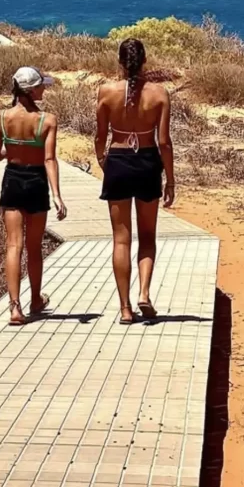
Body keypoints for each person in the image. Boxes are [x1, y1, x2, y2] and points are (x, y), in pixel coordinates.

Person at [95, 38, 175, 324]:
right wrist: (171, 179)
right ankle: (144, 293)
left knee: (121, 239)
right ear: (145, 62)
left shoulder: (106, 91)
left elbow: (100, 136)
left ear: (119, 62)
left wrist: (102, 160)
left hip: (117, 161)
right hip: (147, 162)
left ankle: (125, 308)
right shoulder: (160, 94)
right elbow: (164, 142)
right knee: (148, 236)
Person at [0, 66, 67, 325]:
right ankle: (35, 298)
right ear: (32, 89)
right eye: (41, 85)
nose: (44, 88)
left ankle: (14, 307)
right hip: (36, 182)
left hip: (12, 179)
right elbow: (49, 159)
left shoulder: (1, 117)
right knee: (33, 247)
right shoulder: (47, 120)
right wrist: (57, 194)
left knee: (13, 245)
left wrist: (12, 151)